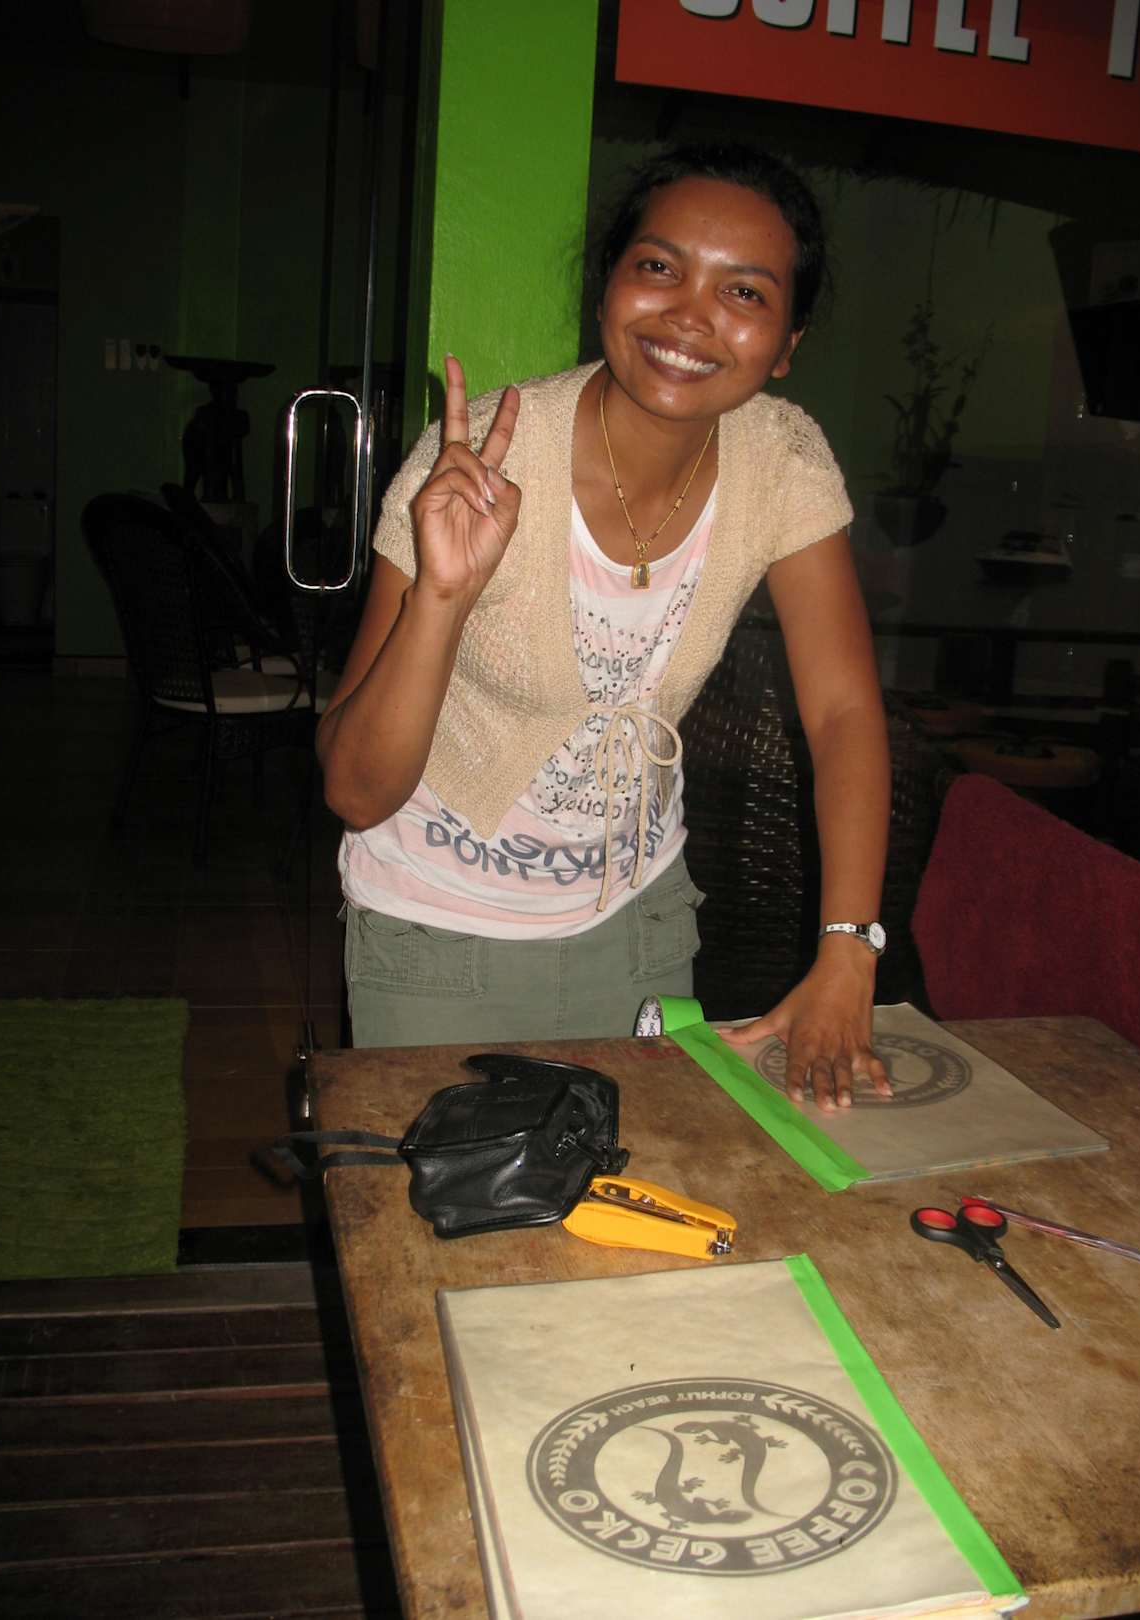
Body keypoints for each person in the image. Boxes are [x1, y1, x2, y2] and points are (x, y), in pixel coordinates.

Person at [317, 142, 893, 1113]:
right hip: (435, 938)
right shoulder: (475, 465)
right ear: (608, 288)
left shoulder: (783, 462)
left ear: (787, 344)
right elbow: (355, 792)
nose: (690, 314)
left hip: (639, 929)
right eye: (659, 267)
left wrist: (849, 948)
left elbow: (841, 711)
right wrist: (442, 598)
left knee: (636, 1196)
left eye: (744, 292)